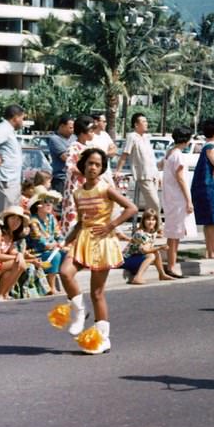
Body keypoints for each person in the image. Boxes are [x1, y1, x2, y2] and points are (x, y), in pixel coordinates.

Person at [48, 147, 137, 354]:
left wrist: (110, 225)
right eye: (90, 163)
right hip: (83, 239)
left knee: (97, 293)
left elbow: (131, 208)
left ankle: (102, 338)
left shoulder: (106, 188)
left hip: (103, 241)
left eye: (98, 164)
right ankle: (80, 311)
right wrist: (65, 241)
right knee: (65, 272)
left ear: (102, 168)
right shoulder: (78, 193)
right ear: (83, 165)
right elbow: (81, 222)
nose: (93, 168)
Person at [161, 127, 195, 278]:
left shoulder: (170, 153)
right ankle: (172, 265)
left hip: (170, 196)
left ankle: (171, 263)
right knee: (175, 233)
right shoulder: (179, 156)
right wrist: (189, 199)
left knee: (174, 232)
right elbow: (181, 179)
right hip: (178, 197)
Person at [190, 118, 214, 259]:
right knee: (213, 221)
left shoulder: (207, 147)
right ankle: (213, 250)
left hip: (205, 188)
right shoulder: (211, 148)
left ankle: (210, 251)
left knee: (209, 222)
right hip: (210, 188)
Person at [117, 113, 161, 214]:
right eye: (143, 122)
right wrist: (118, 170)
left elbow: (151, 159)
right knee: (155, 204)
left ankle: (147, 227)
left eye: (146, 121)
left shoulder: (146, 137)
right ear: (136, 124)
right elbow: (125, 154)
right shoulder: (132, 137)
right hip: (143, 175)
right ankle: (157, 227)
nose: (146, 123)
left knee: (150, 207)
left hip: (153, 175)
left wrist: (157, 174)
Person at [26, 186, 65, 294]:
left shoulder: (51, 218)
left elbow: (59, 235)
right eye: (46, 201)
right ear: (38, 205)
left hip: (51, 250)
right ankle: (51, 287)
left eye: (51, 202)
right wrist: (56, 244)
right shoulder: (33, 221)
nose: (49, 204)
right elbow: (41, 244)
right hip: (37, 254)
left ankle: (65, 282)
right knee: (56, 255)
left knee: (68, 253)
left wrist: (61, 243)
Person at [61, 116, 96, 234]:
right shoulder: (74, 146)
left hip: (85, 187)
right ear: (82, 133)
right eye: (90, 131)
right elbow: (70, 166)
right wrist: (86, 174)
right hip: (75, 187)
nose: (93, 133)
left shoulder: (88, 147)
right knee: (73, 215)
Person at [117, 209, 172, 285]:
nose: (151, 222)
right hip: (126, 260)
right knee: (151, 255)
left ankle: (162, 274)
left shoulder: (152, 233)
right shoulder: (141, 234)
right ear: (143, 221)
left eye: (153, 220)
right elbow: (145, 250)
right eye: (148, 219)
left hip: (136, 257)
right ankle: (137, 277)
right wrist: (160, 247)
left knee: (156, 253)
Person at [46, 115, 74, 196]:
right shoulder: (55, 139)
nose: (72, 130)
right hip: (61, 180)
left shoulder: (74, 138)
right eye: (70, 128)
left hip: (72, 178)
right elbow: (66, 158)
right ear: (62, 126)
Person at [88, 112, 118, 185]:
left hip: (107, 172)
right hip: (96, 173)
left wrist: (104, 153)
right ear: (96, 122)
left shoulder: (105, 135)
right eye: (104, 121)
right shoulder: (90, 136)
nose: (106, 123)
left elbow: (114, 149)